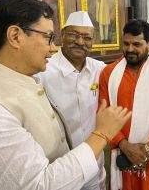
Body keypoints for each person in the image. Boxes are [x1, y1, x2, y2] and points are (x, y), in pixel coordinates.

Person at [0, 0, 131, 190]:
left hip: (88, 165)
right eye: (48, 37)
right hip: (67, 172)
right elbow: (39, 185)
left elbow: (125, 70)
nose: (52, 48)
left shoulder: (27, 78)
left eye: (87, 37)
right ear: (15, 36)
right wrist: (102, 134)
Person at [99, 19, 149, 190]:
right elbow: (103, 112)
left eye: (136, 44)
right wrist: (125, 146)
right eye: (126, 43)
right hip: (122, 153)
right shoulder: (109, 73)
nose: (130, 49)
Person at [37, 11, 107, 190]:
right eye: (74, 35)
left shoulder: (100, 69)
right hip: (58, 169)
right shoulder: (43, 70)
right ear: (62, 34)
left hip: (94, 163)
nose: (80, 42)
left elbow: (128, 72)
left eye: (86, 37)